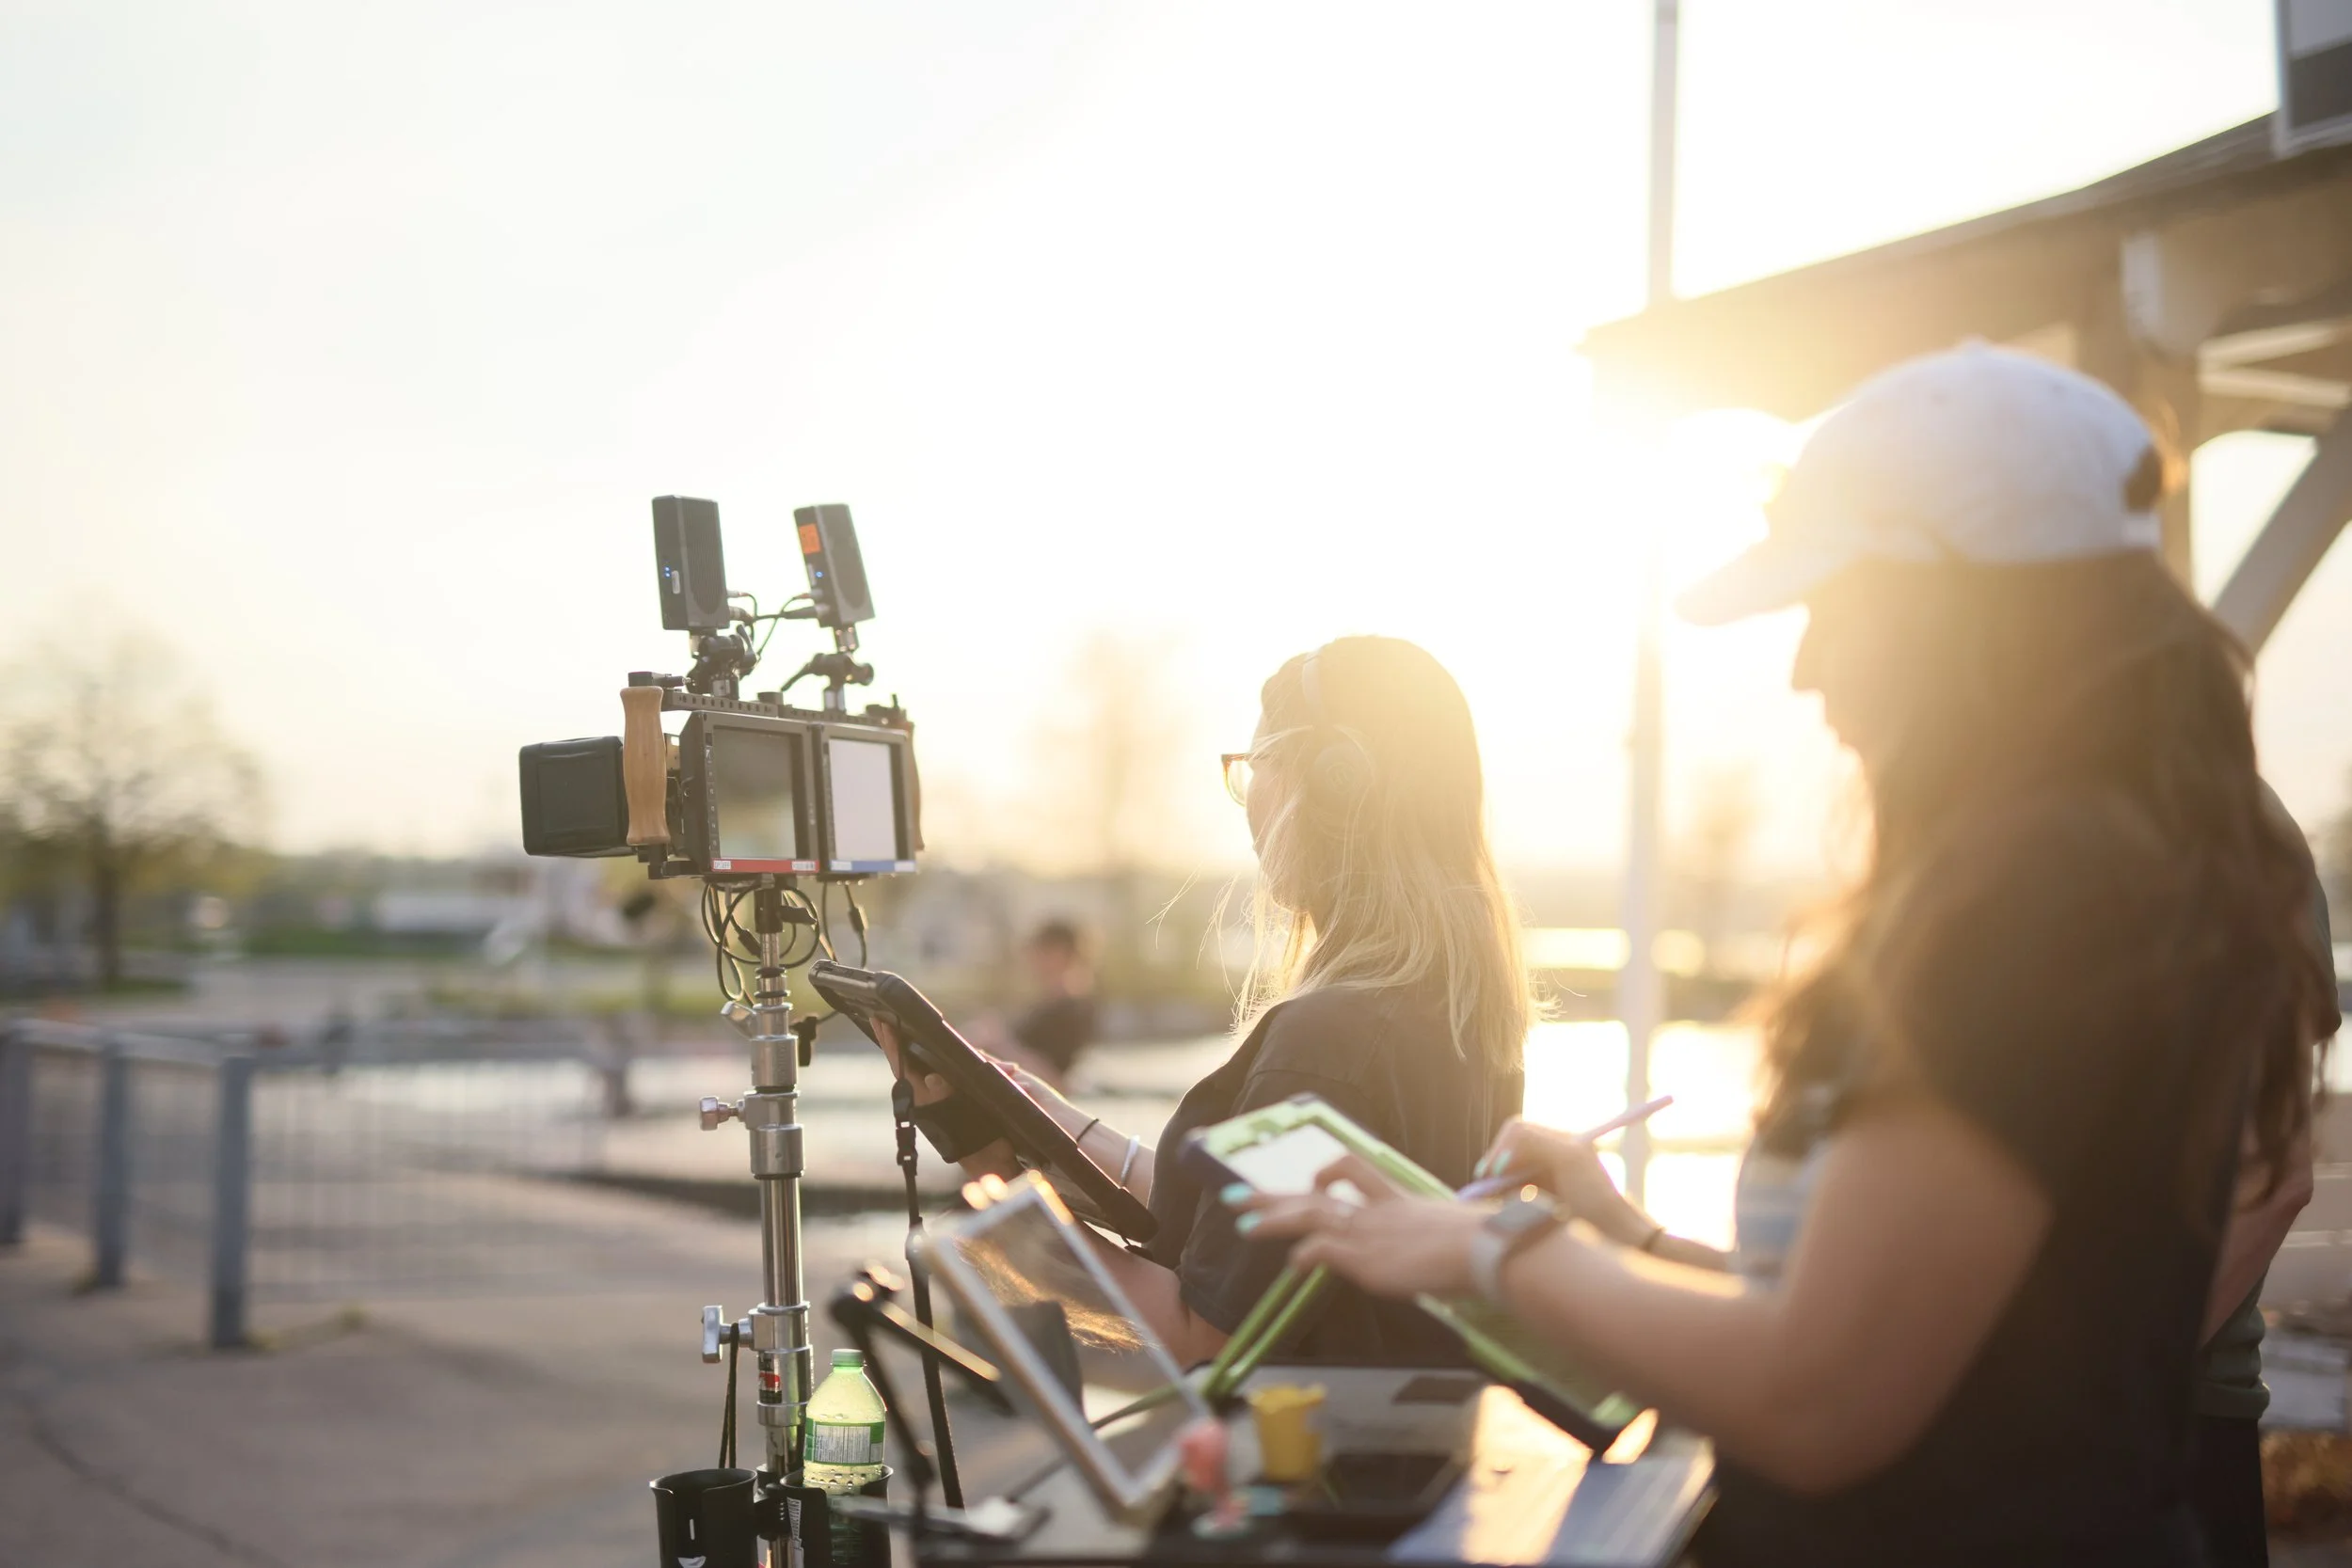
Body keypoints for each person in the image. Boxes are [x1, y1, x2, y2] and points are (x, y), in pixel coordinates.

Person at [1238, 346, 2340, 1566]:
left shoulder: (2033, 896)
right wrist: (1625, 1234)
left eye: (1833, 605)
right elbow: (1912, 1324)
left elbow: (1822, 1397)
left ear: (1960, 607)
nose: (1809, 666)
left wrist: (1482, 1247)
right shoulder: (2121, 856)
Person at [874, 635, 1527, 1366]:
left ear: (1338, 785)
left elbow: (1199, 1336)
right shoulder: (1456, 1009)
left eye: (1257, 766)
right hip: (1416, 1452)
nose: (1249, 801)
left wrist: (995, 1182)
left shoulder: (1328, 1040)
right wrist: (1054, 1124)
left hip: (1306, 1461)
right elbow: (1246, 1224)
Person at [975, 919, 1099, 1091]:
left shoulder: (1072, 1010)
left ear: (1058, 953)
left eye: (1038, 951)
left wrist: (999, 1043)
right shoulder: (1043, 1006)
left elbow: (1056, 1082)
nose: (1031, 960)